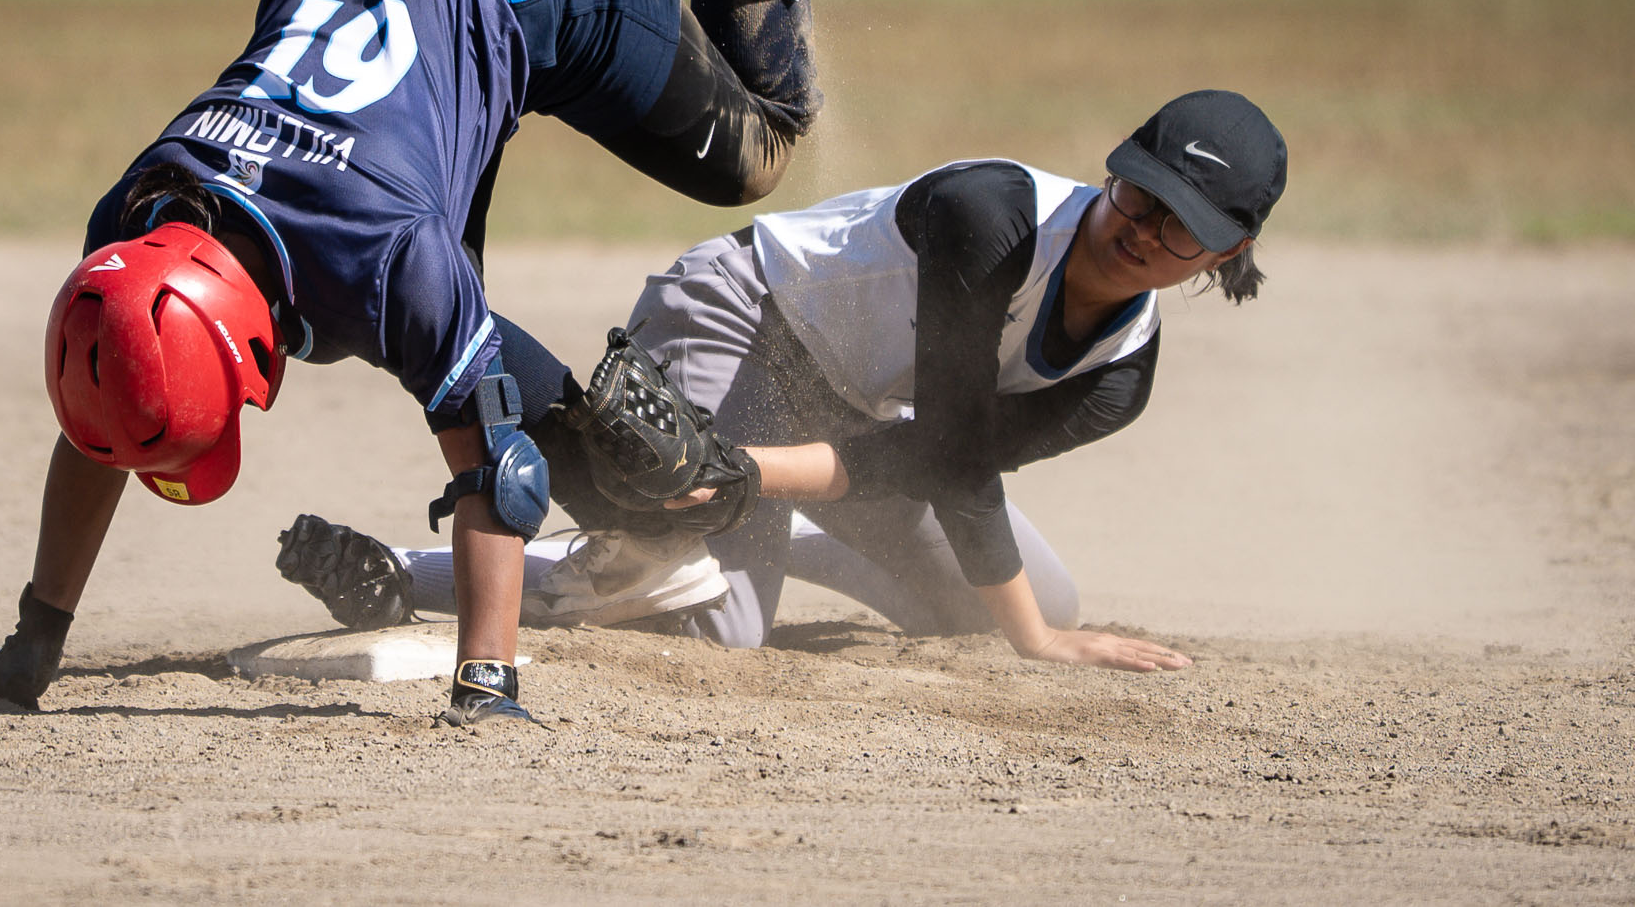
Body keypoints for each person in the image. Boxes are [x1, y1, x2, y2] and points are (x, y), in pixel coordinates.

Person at [0, 0, 901, 725]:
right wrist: (33, 639)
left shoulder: (383, 254)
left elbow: (495, 467)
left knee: (755, 147)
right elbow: (108, 410)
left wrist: (483, 684)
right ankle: (621, 507)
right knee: (463, 341)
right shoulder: (138, 227)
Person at [276, 90, 1288, 673]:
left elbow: (946, 461)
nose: (1137, 229)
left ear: (1224, 251)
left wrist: (750, 479)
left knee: (1022, 600)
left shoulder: (1118, 376)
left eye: (1178, 226)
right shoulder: (995, 218)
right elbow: (946, 458)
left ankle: (743, 529)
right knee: (723, 623)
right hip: (738, 314)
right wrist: (1041, 647)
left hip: (843, 416)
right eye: (1134, 192)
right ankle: (402, 573)